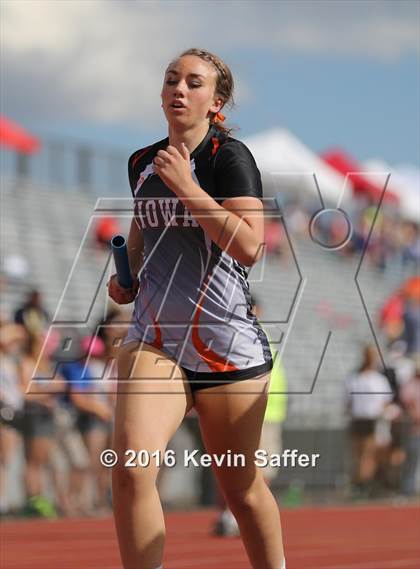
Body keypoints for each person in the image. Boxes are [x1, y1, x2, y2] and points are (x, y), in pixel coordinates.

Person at [108, 48, 285, 569]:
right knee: (131, 468)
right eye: (171, 80)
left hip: (226, 347)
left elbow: (250, 246)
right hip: (155, 338)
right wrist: (129, 274)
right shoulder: (143, 162)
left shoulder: (228, 159)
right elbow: (144, 226)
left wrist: (188, 187)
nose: (179, 89)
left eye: (193, 82)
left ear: (217, 101)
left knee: (242, 492)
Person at [344, 344, 394, 497]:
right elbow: (385, 403)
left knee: (362, 455)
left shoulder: (355, 378)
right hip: (369, 420)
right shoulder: (375, 380)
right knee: (365, 456)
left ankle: (361, 484)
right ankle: (362, 484)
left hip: (364, 420)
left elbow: (347, 403)